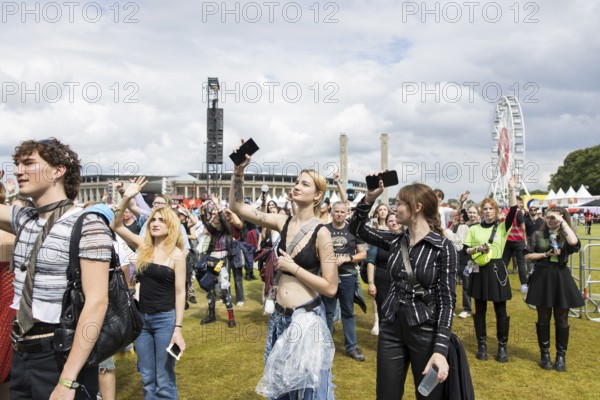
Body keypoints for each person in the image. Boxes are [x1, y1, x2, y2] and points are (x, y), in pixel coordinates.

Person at [0, 138, 113, 400]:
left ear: (58, 171)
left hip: (61, 354)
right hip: (21, 351)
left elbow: (97, 303)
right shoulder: (24, 219)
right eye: (17, 164)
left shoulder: (87, 224)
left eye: (29, 163)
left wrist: (67, 380)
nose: (18, 170)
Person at [228, 147, 337, 399]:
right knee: (280, 388)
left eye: (305, 184)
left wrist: (294, 268)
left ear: (318, 195)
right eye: (297, 181)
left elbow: (331, 287)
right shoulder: (281, 221)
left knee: (307, 389)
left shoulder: (323, 233)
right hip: (279, 318)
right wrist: (238, 172)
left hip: (306, 320)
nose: (297, 185)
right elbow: (237, 206)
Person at [349, 180, 456, 400]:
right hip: (391, 328)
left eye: (399, 203)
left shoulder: (443, 247)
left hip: (426, 331)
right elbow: (356, 228)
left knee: (429, 395)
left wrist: (440, 349)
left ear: (417, 207)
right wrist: (369, 198)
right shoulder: (396, 240)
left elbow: (447, 302)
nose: (394, 208)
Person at [112, 177, 186, 399]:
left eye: (161, 220)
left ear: (170, 225)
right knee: (147, 377)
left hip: (165, 320)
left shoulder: (177, 255)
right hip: (141, 320)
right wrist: (126, 196)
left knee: (164, 378)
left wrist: (178, 328)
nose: (155, 223)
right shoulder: (144, 246)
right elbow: (115, 226)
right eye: (153, 219)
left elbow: (180, 292)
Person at [463, 176, 518, 363]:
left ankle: (502, 346)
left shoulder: (503, 227)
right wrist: (479, 248)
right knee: (480, 310)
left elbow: (513, 211)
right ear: (481, 211)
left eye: (491, 208)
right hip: (479, 269)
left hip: (497, 270)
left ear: (496, 210)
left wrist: (511, 189)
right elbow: (465, 251)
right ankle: (482, 345)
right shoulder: (474, 229)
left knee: (501, 311)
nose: (487, 211)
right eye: (484, 208)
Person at [524, 206, 583, 372]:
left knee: (562, 319)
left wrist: (563, 220)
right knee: (543, 318)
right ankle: (545, 354)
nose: (550, 221)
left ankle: (561, 356)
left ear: (562, 219)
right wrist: (545, 255)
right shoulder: (538, 234)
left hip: (561, 278)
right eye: (548, 217)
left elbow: (574, 243)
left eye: (554, 218)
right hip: (542, 277)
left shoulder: (565, 235)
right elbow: (527, 255)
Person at [322, 201, 367, 362]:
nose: (339, 214)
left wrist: (348, 258)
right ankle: (325, 346)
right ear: (331, 212)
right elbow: (316, 251)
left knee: (348, 312)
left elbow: (363, 255)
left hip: (348, 276)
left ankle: (351, 347)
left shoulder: (353, 230)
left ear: (347, 213)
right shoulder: (324, 230)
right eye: (336, 211)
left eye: (342, 212)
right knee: (327, 312)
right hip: (328, 276)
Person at [196, 195, 237, 327]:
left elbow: (224, 220)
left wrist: (217, 206)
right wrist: (202, 210)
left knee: (225, 289)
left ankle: (231, 318)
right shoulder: (214, 232)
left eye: (217, 217)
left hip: (222, 263)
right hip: (211, 261)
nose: (214, 219)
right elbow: (205, 223)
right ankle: (211, 315)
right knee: (210, 289)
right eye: (214, 218)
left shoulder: (228, 231)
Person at [365, 213, 401, 335]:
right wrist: (371, 283)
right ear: (386, 224)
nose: (394, 223)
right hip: (382, 282)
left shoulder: (407, 239)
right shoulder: (379, 239)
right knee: (384, 314)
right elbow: (371, 262)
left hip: (401, 282)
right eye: (390, 221)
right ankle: (385, 341)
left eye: (396, 220)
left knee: (400, 313)